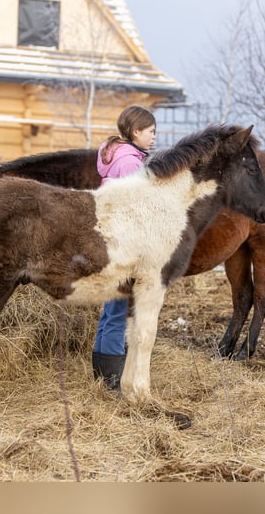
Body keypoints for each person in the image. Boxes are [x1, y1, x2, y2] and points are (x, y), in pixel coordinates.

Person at [92, 105, 157, 391]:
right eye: (151, 131)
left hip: (111, 237)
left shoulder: (114, 156)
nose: (154, 137)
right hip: (124, 242)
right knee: (118, 311)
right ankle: (111, 381)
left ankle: (102, 376)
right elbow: (133, 207)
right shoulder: (130, 163)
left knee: (110, 311)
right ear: (135, 132)